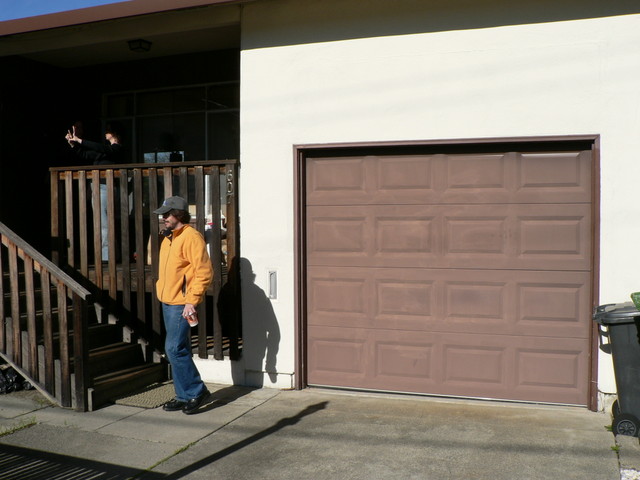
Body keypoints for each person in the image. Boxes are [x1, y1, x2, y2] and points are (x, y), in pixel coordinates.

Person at [154, 196, 213, 414]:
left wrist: (192, 300)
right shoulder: (169, 238)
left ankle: (196, 391)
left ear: (178, 214)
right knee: (179, 349)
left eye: (167, 214)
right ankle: (183, 394)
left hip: (181, 304)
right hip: (168, 301)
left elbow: (204, 272)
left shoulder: (191, 237)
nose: (163, 218)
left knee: (173, 348)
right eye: (162, 215)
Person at [65, 122, 124, 261]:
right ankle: (109, 256)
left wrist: (80, 140)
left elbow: (103, 149)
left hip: (106, 188)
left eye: (108, 130)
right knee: (102, 223)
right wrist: (73, 144)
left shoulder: (117, 149)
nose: (105, 133)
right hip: (97, 188)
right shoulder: (105, 152)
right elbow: (86, 154)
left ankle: (107, 258)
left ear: (114, 133)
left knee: (104, 225)